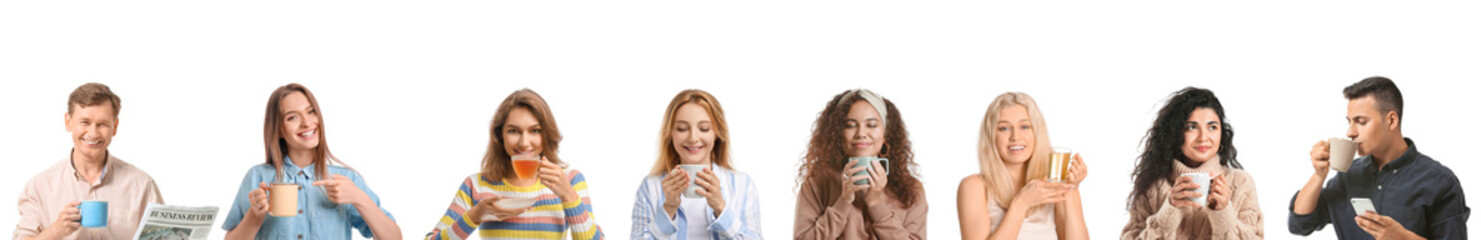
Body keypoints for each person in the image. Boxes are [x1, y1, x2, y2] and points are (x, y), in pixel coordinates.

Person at [1288, 76, 1469, 239]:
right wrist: (1319, 174)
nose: (1350, 132)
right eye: (1349, 121)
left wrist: (1403, 238)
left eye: (1361, 122)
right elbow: (1300, 224)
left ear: (1391, 120)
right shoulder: (1347, 175)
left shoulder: (1440, 182)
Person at [222, 83, 402, 240]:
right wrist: (255, 215)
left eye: (310, 112)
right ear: (278, 130)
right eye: (292, 117)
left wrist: (358, 197)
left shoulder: (346, 180)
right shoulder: (258, 177)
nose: (307, 123)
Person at [424, 89, 605, 240]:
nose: (524, 143)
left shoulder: (570, 180)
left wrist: (568, 195)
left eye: (535, 131)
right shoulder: (476, 185)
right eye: (513, 131)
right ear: (500, 135)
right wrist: (474, 216)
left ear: (546, 134)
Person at [15, 83, 165, 240]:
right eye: (85, 122)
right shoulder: (39, 187)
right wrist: (56, 231)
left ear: (114, 127)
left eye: (102, 124)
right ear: (68, 122)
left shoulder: (142, 185)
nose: (93, 133)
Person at [1121, 87, 1263, 239]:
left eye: (1212, 127)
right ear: (1176, 133)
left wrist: (1223, 213)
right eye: (1192, 127)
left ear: (1222, 133)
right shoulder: (1153, 185)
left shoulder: (1241, 183)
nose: (1203, 137)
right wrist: (1168, 213)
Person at [793, 89, 926, 240]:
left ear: (886, 134)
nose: (861, 133)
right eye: (850, 125)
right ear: (838, 134)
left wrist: (876, 205)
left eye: (871, 125)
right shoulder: (816, 183)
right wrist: (843, 202)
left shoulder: (911, 190)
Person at [631, 89, 761, 239]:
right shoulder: (651, 187)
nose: (693, 138)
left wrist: (720, 207)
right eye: (682, 129)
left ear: (717, 133)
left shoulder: (742, 185)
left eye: (704, 129)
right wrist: (668, 209)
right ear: (670, 133)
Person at [957, 92, 1089, 240]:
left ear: (1036, 133)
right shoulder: (974, 186)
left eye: (1025, 127)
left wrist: (1070, 191)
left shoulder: (1053, 182)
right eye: (1004, 128)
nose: (1015, 137)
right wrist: (1022, 203)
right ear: (991, 136)